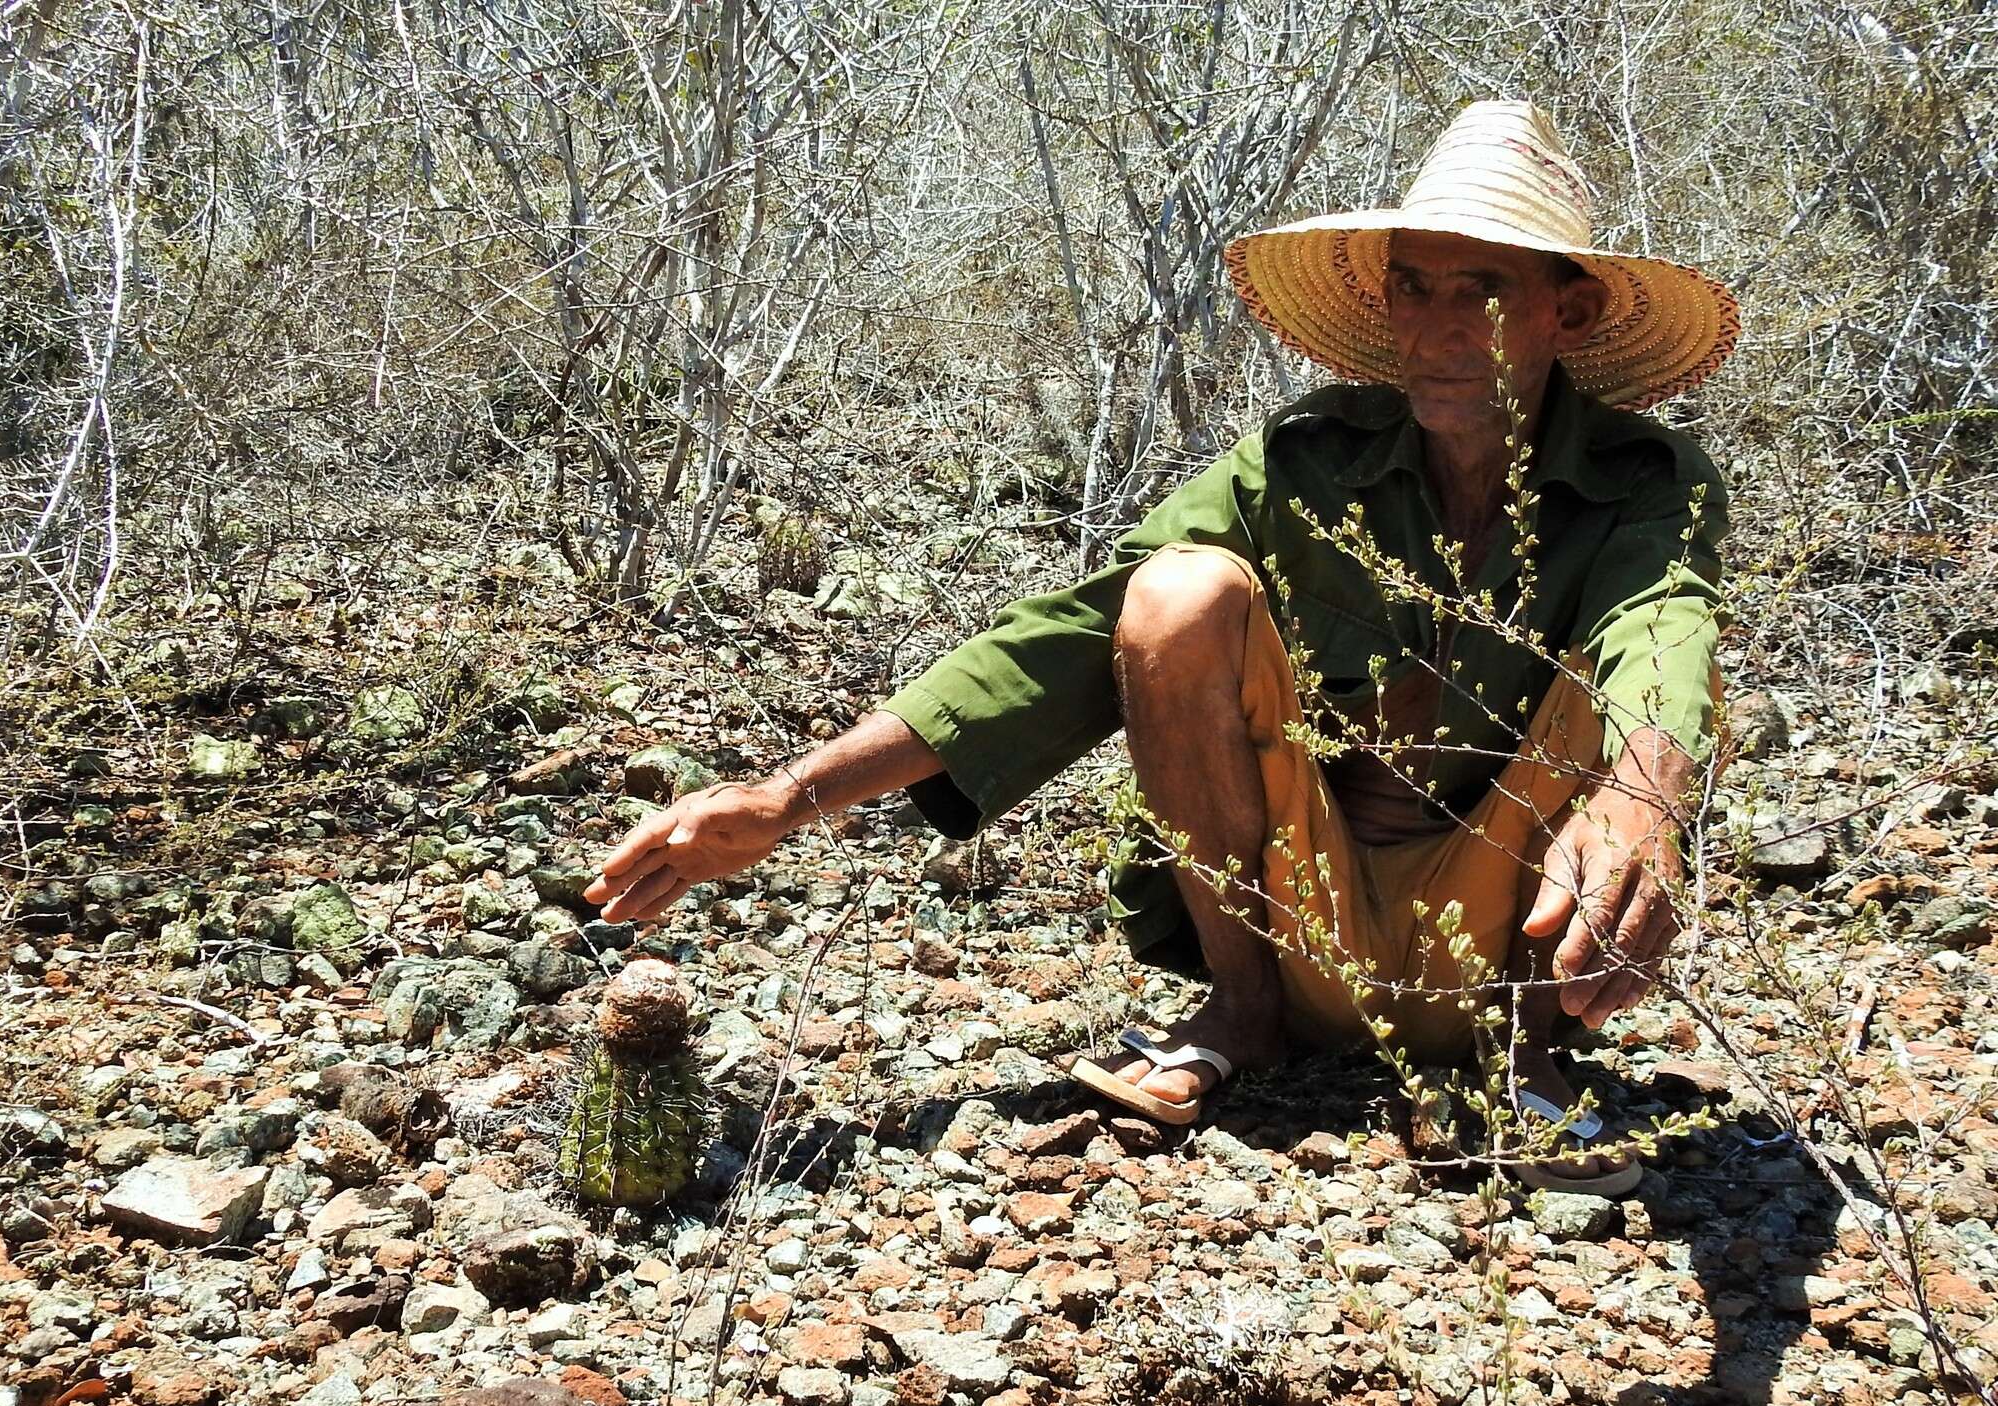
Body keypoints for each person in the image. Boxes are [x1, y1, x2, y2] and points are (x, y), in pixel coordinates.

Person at [586, 101, 1738, 1196]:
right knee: (1174, 592)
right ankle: (1241, 1015)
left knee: (1648, 684)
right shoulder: (1307, 461)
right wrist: (789, 797)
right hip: (1306, 927)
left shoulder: (1647, 484)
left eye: (1478, 292)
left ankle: (1517, 1052)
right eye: (1411, 289)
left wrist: (1644, 803)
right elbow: (1077, 632)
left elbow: (1662, 632)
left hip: (1504, 931)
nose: (1434, 331)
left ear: (1565, 314)